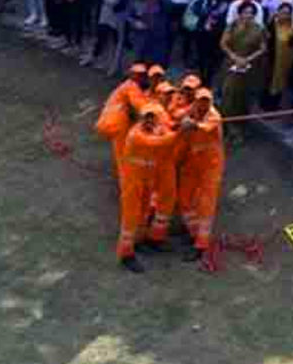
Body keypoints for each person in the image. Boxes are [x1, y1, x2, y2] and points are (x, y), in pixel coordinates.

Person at [116, 104, 179, 273]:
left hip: (146, 180)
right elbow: (159, 142)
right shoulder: (136, 135)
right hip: (132, 183)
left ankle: (139, 242)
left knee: (143, 213)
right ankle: (126, 254)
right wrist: (180, 132)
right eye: (146, 117)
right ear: (140, 119)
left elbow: (166, 133)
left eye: (152, 118)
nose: (149, 121)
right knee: (130, 218)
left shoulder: (155, 130)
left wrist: (179, 125)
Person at [178, 88, 225, 263]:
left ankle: (201, 244)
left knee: (206, 205)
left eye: (207, 101)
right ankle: (193, 232)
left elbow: (206, 127)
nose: (204, 104)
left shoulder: (214, 116)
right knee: (184, 197)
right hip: (193, 162)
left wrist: (193, 125)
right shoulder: (191, 111)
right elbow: (182, 121)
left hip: (211, 167)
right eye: (201, 100)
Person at [220, 1, 267, 144]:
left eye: (251, 13)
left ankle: (240, 130)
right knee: (228, 96)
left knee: (243, 99)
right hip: (231, 65)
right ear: (240, 13)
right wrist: (234, 57)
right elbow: (223, 43)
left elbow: (263, 48)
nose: (248, 15)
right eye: (246, 12)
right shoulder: (232, 26)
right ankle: (227, 128)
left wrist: (248, 59)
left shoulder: (259, 29)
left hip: (249, 68)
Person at [95, 64, 151, 179]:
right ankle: (126, 179)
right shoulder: (132, 86)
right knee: (124, 155)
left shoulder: (124, 86)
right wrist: (155, 110)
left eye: (141, 75)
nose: (140, 77)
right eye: (138, 75)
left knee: (122, 153)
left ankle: (126, 177)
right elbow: (139, 104)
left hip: (111, 122)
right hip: (118, 123)